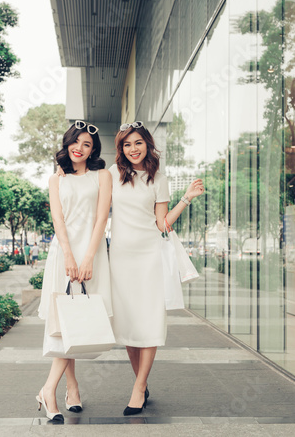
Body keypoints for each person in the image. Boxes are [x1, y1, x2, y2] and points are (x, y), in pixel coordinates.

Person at [108, 121, 204, 415]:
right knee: (128, 325)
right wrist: (62, 173)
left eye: (138, 143)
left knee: (149, 321)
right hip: (120, 258)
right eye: (127, 144)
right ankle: (142, 380)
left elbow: (162, 224)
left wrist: (186, 198)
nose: (133, 149)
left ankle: (139, 389)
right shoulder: (112, 175)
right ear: (121, 149)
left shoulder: (158, 179)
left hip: (149, 256)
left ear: (147, 144)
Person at [37, 120, 112, 422]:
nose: (79, 149)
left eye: (87, 145)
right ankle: (55, 389)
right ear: (67, 143)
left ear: (93, 150)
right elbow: (58, 221)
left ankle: (69, 388)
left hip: (92, 253)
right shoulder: (57, 180)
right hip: (63, 254)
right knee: (64, 322)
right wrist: (68, 256)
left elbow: (101, 218)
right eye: (76, 142)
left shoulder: (102, 176)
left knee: (80, 320)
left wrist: (89, 257)